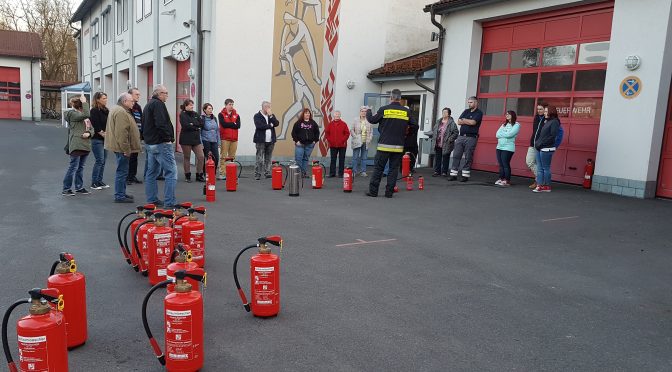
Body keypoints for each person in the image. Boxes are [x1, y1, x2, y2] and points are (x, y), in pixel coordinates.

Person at [365, 89, 418, 198]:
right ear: (400, 98)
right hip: (398, 147)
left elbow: (372, 120)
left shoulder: (384, 109)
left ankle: (373, 192)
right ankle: (389, 193)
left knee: (378, 169)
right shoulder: (406, 111)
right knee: (393, 170)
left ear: (391, 97)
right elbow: (415, 126)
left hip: (384, 146)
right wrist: (406, 134)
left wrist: (369, 111)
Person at [142, 85, 177, 207]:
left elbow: (144, 124)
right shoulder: (158, 104)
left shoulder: (148, 105)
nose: (167, 95)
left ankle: (152, 199)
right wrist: (168, 139)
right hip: (161, 143)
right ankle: (170, 202)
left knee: (151, 172)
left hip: (150, 143)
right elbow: (161, 123)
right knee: (171, 172)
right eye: (165, 93)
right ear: (158, 93)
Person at [104, 93, 142, 203]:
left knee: (122, 171)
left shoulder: (118, 109)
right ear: (125, 101)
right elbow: (122, 133)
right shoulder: (121, 112)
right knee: (122, 171)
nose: (133, 103)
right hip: (121, 148)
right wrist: (126, 149)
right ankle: (120, 195)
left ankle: (121, 193)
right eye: (131, 101)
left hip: (119, 146)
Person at [62, 95, 94, 196]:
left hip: (85, 145)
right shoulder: (72, 114)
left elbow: (92, 128)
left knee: (80, 167)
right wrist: (85, 102)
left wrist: (89, 134)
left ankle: (79, 187)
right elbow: (86, 113)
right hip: (76, 144)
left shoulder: (85, 117)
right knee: (73, 167)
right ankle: (66, 189)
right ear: (81, 106)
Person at [449, 96, 483, 182]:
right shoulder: (466, 111)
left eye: (471, 102)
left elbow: (473, 122)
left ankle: (465, 175)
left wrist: (464, 120)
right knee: (456, 155)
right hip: (461, 137)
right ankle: (453, 174)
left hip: (471, 137)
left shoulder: (479, 113)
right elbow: (459, 121)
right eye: (468, 102)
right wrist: (466, 121)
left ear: (475, 103)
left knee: (468, 156)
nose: (469, 104)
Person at [533, 106, 560, 193]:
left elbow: (552, 137)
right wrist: (538, 144)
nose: (544, 113)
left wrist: (541, 144)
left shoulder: (555, 122)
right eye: (544, 111)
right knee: (540, 168)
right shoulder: (547, 121)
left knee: (545, 168)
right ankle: (539, 185)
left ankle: (547, 186)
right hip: (539, 147)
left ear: (551, 112)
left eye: (546, 111)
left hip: (546, 149)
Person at [178, 99, 205, 183]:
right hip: (186, 139)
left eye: (192, 105)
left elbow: (201, 124)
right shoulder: (182, 114)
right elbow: (186, 126)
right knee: (187, 157)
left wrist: (193, 124)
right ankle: (187, 175)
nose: (192, 106)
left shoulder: (195, 114)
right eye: (190, 105)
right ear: (185, 106)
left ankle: (199, 174)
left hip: (196, 139)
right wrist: (195, 126)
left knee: (201, 156)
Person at [253, 101, 279, 180]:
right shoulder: (257, 116)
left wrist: (271, 115)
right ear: (263, 107)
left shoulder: (271, 115)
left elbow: (277, 123)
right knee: (259, 158)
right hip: (260, 140)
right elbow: (259, 126)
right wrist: (270, 125)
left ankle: (267, 172)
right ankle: (257, 174)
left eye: (269, 107)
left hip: (270, 140)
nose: (269, 108)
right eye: (267, 107)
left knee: (268, 158)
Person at [291, 108, 320, 178]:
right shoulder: (298, 123)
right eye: (306, 113)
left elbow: (317, 132)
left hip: (309, 145)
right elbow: (293, 133)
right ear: (303, 114)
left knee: (306, 159)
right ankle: (298, 173)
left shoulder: (313, 123)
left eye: (308, 113)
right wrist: (296, 141)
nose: (307, 114)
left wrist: (314, 141)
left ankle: (304, 173)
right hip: (300, 144)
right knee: (298, 159)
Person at [89, 91, 110, 190]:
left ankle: (99, 181)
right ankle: (94, 182)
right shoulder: (94, 110)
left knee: (104, 161)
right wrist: (104, 134)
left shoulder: (106, 110)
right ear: (98, 99)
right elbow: (96, 126)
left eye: (106, 98)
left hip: (105, 139)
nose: (106, 100)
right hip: (97, 139)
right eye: (103, 98)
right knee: (99, 160)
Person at [494, 110, 521, 187]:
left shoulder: (516, 125)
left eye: (509, 114)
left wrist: (502, 134)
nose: (507, 115)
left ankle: (507, 180)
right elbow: (497, 134)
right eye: (506, 114)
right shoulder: (504, 125)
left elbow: (510, 134)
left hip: (508, 148)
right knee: (501, 164)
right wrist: (504, 134)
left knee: (505, 164)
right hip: (499, 147)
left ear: (513, 115)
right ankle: (501, 178)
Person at [431, 107, 458, 177]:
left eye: (445, 112)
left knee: (446, 157)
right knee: (438, 157)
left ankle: (444, 172)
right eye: (443, 112)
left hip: (446, 143)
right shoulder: (438, 121)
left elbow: (456, 132)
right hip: (438, 143)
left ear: (449, 114)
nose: (444, 113)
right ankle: (437, 171)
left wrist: (450, 139)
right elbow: (434, 130)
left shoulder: (451, 123)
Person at [217, 98, 240, 180]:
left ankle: (230, 173)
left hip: (234, 139)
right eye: (230, 104)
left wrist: (231, 124)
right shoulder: (221, 114)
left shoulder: (236, 115)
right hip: (225, 138)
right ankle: (222, 173)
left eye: (232, 104)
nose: (231, 106)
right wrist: (233, 123)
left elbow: (238, 125)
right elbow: (223, 124)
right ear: (226, 105)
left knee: (232, 157)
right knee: (223, 156)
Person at [325, 110, 349, 177]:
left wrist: (342, 140)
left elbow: (347, 133)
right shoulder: (330, 124)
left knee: (341, 159)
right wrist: (330, 140)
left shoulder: (344, 124)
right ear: (333, 116)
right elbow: (327, 133)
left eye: (338, 114)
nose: (337, 116)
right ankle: (332, 173)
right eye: (336, 114)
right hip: (333, 145)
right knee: (333, 159)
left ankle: (341, 174)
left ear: (340, 115)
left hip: (342, 145)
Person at [127, 88, 143, 185]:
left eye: (139, 94)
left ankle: (133, 175)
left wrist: (142, 134)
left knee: (134, 157)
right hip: (129, 136)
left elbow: (141, 119)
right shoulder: (127, 106)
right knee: (128, 157)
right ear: (130, 95)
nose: (138, 96)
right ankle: (127, 176)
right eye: (136, 94)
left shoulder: (138, 106)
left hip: (137, 135)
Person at [350, 106, 373, 177]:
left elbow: (371, 131)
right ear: (360, 112)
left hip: (366, 142)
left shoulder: (369, 120)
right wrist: (355, 136)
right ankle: (354, 171)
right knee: (355, 157)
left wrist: (370, 138)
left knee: (364, 158)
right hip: (357, 141)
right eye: (362, 111)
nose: (363, 113)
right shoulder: (355, 119)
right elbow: (351, 130)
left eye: (365, 111)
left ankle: (363, 171)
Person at [527, 104, 545, 189]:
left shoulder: (548, 119)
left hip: (541, 145)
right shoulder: (536, 117)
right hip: (533, 144)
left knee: (540, 164)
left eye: (541, 109)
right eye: (538, 109)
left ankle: (538, 181)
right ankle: (541, 178)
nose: (539, 111)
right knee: (529, 161)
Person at [200, 103, 220, 181]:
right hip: (206, 140)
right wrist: (201, 143)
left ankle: (213, 173)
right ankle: (206, 174)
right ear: (204, 110)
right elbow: (200, 131)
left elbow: (217, 130)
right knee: (207, 158)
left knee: (216, 157)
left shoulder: (214, 118)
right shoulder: (202, 118)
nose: (210, 110)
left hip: (214, 140)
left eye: (211, 108)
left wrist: (219, 142)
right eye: (209, 108)